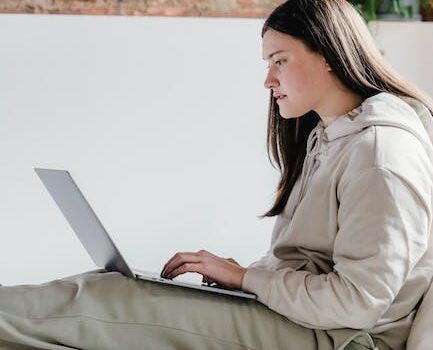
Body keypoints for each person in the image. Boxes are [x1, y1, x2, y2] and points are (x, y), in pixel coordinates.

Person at [1, 0, 433, 349]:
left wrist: (247, 278)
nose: (268, 80)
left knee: (108, 301)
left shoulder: (380, 154)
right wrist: (243, 279)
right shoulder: (333, 136)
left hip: (344, 338)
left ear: (328, 57)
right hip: (309, 322)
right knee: (105, 287)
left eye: (279, 61)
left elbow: (357, 303)